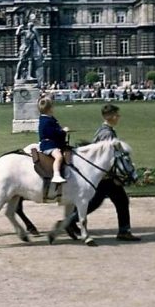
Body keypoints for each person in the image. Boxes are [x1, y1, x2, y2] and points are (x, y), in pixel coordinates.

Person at [64, 103, 139, 241]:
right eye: (117, 115)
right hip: (106, 176)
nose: (119, 117)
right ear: (110, 116)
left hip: (103, 175)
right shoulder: (107, 134)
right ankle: (70, 221)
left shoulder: (103, 130)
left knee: (106, 201)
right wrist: (114, 176)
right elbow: (108, 157)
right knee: (113, 200)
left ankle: (71, 221)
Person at [37, 97, 69, 183]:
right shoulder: (46, 121)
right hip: (48, 145)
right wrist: (63, 131)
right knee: (59, 157)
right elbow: (53, 134)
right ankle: (56, 175)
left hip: (51, 143)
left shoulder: (48, 119)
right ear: (50, 109)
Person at [16, 15, 43, 81]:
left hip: (30, 49)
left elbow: (38, 42)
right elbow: (17, 34)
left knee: (30, 62)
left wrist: (41, 48)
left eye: (31, 26)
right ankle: (17, 74)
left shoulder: (34, 34)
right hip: (24, 48)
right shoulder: (25, 32)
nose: (30, 27)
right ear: (28, 27)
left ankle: (30, 76)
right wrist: (19, 27)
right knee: (21, 61)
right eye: (29, 26)